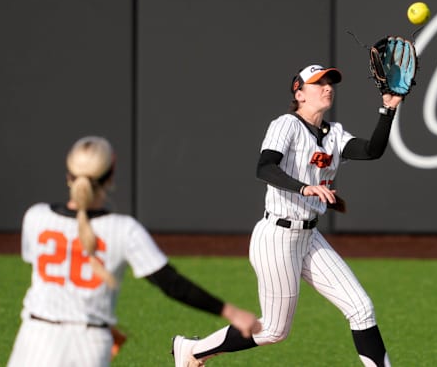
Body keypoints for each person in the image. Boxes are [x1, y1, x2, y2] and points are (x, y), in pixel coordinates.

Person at [172, 64, 404, 366]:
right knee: (274, 329)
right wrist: (305, 188)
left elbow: (372, 150)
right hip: (277, 237)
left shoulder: (333, 133)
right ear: (299, 93)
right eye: (318, 83)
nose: (327, 88)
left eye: (330, 82)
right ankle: (192, 349)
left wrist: (387, 111)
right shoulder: (286, 125)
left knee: (361, 308)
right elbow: (265, 168)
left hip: (310, 237)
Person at [7, 136, 260, 367]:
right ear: (112, 173)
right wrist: (231, 312)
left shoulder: (35, 217)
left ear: (69, 175)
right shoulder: (123, 230)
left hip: (35, 338)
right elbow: (171, 283)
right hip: (89, 343)